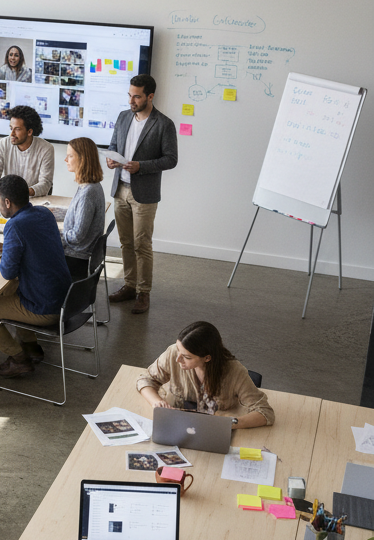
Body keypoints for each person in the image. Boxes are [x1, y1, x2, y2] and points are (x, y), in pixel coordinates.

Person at [0, 174, 72, 378]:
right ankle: (32, 347)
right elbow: (35, 245)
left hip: (44, 308)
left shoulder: (14, 226)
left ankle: (18, 358)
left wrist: (10, 247)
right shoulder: (44, 213)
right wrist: (8, 247)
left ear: (7, 202)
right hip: (65, 297)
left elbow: (7, 272)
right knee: (7, 292)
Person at [105, 74, 178, 314]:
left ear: (150, 96)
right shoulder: (123, 117)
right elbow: (114, 145)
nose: (131, 101)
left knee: (141, 244)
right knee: (126, 242)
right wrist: (112, 159)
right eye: (130, 95)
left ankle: (143, 293)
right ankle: (129, 285)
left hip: (144, 194)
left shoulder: (164, 124)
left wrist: (141, 166)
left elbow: (171, 159)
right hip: (120, 190)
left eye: (137, 96)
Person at [137, 321, 274, 427]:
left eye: (187, 357)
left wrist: (229, 423)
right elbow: (145, 380)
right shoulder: (174, 352)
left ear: (207, 358)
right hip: (176, 423)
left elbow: (265, 412)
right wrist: (157, 402)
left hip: (215, 428)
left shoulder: (234, 371)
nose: (178, 359)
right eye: (178, 350)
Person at [0, 105, 55, 198]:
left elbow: (45, 183)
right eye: (11, 128)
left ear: (29, 132)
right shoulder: (4, 143)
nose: (12, 134)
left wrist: (21, 193)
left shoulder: (46, 149)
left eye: (17, 129)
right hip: (9, 199)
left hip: (34, 200)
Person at [61, 136, 106, 275]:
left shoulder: (88, 193)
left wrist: (57, 234)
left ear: (82, 159)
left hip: (74, 257)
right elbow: (77, 214)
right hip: (77, 254)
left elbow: (77, 236)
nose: (65, 160)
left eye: (70, 156)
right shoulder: (89, 186)